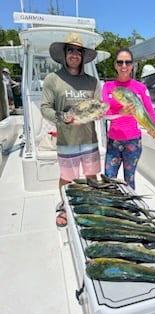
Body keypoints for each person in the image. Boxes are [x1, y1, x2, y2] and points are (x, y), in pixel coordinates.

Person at [40, 32, 102, 228]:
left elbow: (98, 106)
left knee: (92, 176)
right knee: (67, 177)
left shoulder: (92, 81)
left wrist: (100, 113)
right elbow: (45, 108)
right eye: (71, 50)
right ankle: (66, 207)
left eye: (78, 51)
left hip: (90, 138)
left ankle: (91, 206)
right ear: (65, 54)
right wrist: (63, 118)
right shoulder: (53, 79)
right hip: (67, 140)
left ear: (83, 56)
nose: (75, 54)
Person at [102, 47, 155, 190]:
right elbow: (104, 112)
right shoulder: (108, 86)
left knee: (129, 181)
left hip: (133, 141)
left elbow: (150, 114)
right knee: (109, 180)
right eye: (120, 62)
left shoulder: (140, 87)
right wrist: (121, 111)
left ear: (132, 65)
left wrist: (154, 129)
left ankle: (131, 210)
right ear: (115, 65)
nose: (124, 66)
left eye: (128, 62)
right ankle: (111, 210)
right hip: (113, 141)